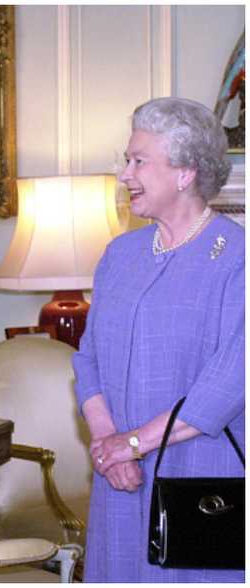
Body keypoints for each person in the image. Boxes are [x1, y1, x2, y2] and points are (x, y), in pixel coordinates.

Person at [75, 97, 244, 582]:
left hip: (200, 478)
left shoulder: (237, 258)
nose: (125, 174)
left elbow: (230, 382)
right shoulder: (120, 254)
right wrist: (108, 444)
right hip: (120, 483)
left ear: (185, 172)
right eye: (127, 161)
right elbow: (87, 362)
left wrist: (131, 443)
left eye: (139, 161)